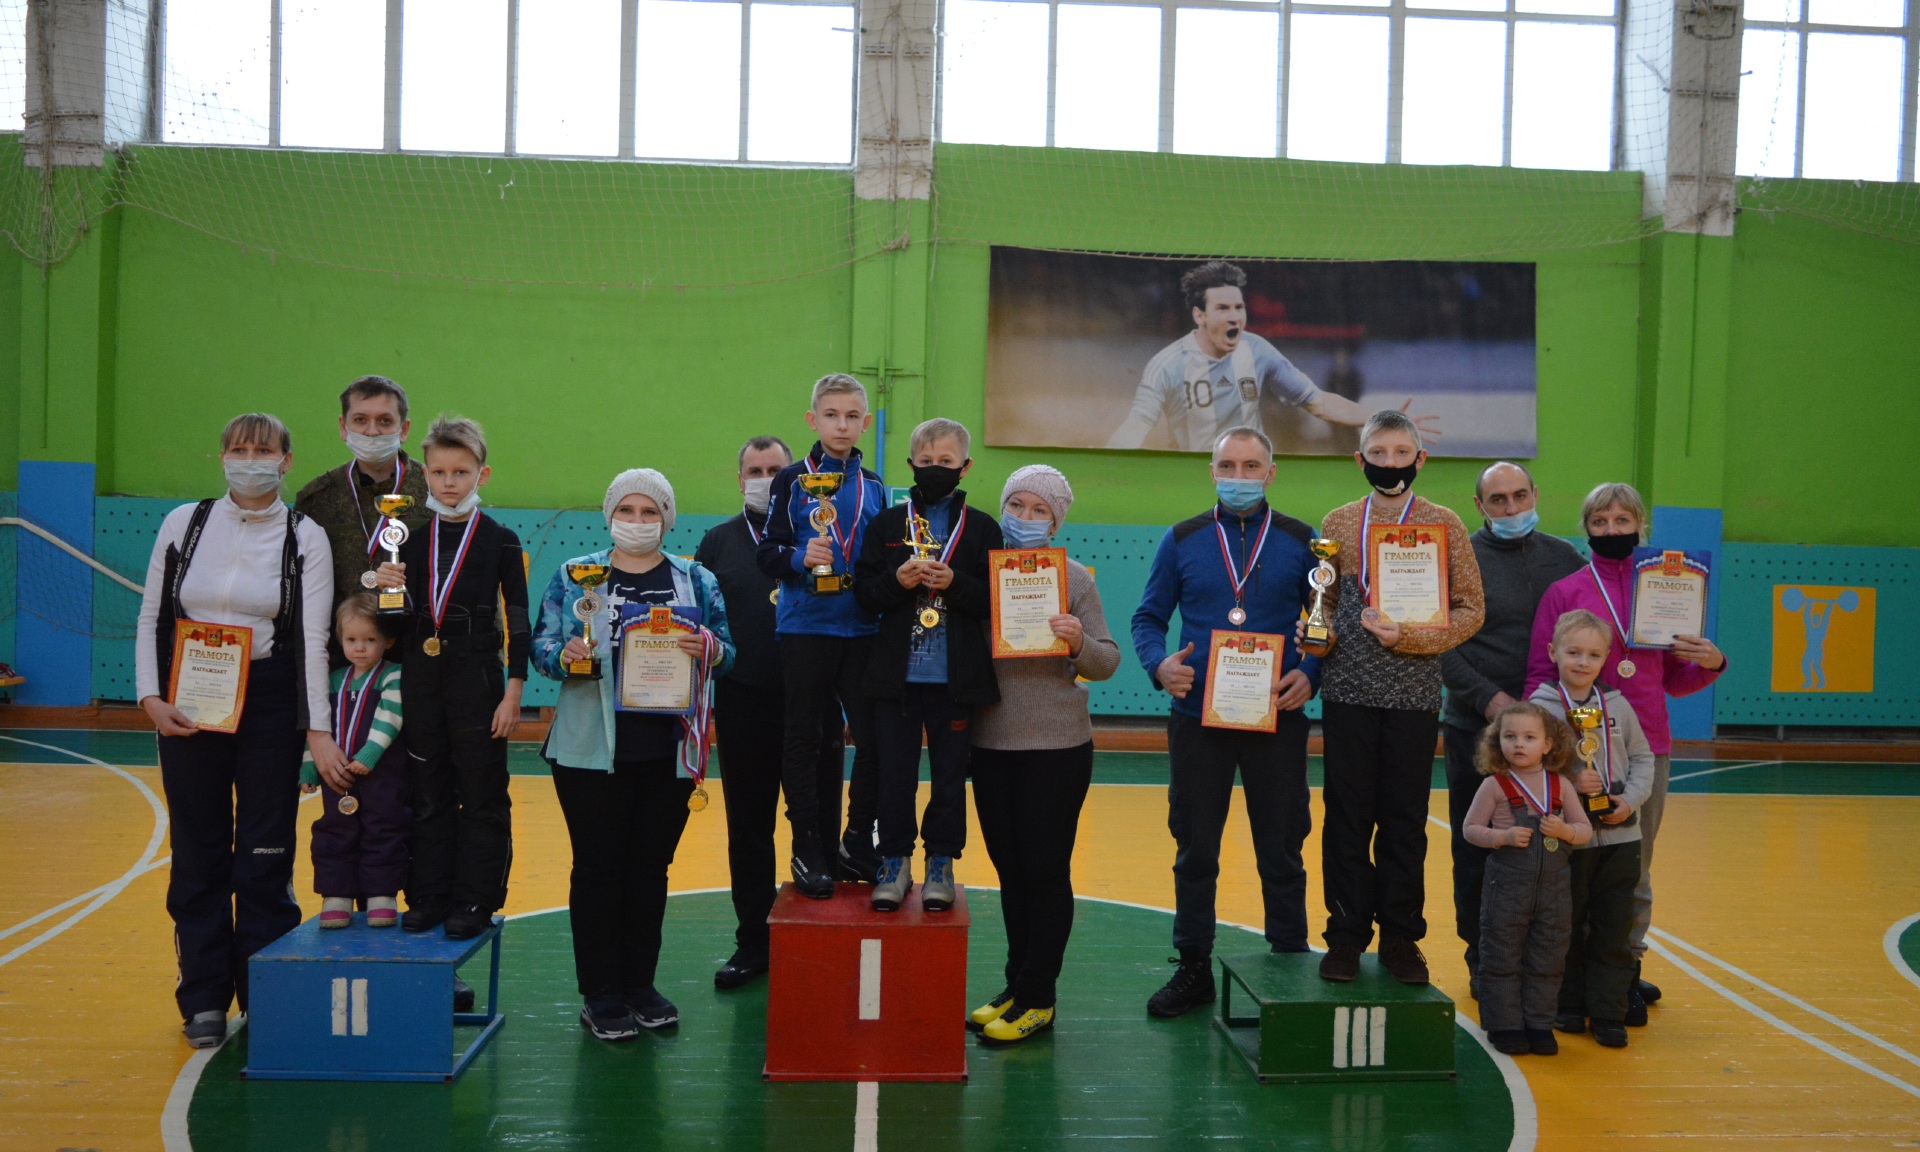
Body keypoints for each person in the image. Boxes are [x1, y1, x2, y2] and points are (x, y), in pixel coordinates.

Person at [135, 413, 338, 1048]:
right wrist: (150, 697)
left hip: (270, 702)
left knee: (264, 851)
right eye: (240, 449)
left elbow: (312, 639)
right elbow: (151, 615)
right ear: (223, 455)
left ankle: (264, 992)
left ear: (286, 461)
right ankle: (202, 997)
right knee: (197, 851)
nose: (250, 460)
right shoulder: (183, 523)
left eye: (264, 450)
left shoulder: (306, 536)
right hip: (189, 698)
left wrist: (316, 728)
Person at [532, 468, 735, 1040]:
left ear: (666, 520)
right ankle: (600, 994)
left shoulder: (696, 580)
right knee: (598, 870)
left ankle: (640, 985)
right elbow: (541, 648)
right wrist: (566, 655)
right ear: (610, 515)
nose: (638, 522)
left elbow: (728, 650)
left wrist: (709, 647)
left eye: (650, 512)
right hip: (588, 750)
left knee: (649, 871)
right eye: (627, 511)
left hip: (668, 751)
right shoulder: (575, 575)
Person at [1131, 425, 1323, 1019]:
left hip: (1278, 718)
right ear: (1212, 472)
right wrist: (1159, 666)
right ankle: (1193, 967)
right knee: (1195, 848)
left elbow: (1325, 627)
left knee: (1282, 847)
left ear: (1271, 473)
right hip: (1198, 720)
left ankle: (1288, 965)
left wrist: (1311, 673)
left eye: (1251, 466)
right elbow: (1147, 618)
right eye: (1228, 466)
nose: (1239, 477)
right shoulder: (1182, 538)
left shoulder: (1303, 542)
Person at [1526, 481, 1726, 1024]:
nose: (1612, 530)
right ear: (1586, 528)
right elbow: (1539, 675)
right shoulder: (1565, 591)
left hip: (1643, 749)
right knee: (1573, 867)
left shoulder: (1667, 587)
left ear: (1641, 526)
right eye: (1600, 522)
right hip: (1575, 754)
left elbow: (1676, 680)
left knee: (1631, 869)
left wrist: (1710, 663)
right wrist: (1549, 753)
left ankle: (1622, 969)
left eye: (1622, 521)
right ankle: (1571, 976)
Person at [1315, 409, 1484, 985]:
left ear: (1421, 458)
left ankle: (1401, 938)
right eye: (1379, 454)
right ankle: (1344, 936)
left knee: (1405, 821)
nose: (1390, 464)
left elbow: (1471, 609)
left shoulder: (1445, 524)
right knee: (1346, 818)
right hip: (1347, 691)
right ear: (1359, 459)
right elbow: (1322, 602)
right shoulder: (1338, 521)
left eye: (1401, 453)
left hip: (1414, 695)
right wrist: (1316, 633)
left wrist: (1409, 637)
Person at [968, 465, 1120, 1046]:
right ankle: (1016, 984)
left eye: (1040, 511)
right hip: (990, 741)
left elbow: (1107, 661)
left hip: (1057, 746)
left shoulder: (1074, 579)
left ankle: (1039, 998)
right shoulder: (978, 574)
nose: (1025, 519)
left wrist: (1078, 640)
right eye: (1018, 506)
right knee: (1010, 872)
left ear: (1056, 523)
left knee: (1045, 870)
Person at [694, 436, 845, 989]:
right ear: (740, 480)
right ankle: (753, 943)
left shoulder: (825, 530)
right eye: (754, 470)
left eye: (774, 469)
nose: (763, 478)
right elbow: (701, 624)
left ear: (794, 478)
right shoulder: (717, 543)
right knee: (749, 828)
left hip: (817, 702)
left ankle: (824, 937)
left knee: (820, 822)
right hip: (744, 702)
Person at [373, 415, 530, 941]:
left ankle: (475, 898)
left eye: (461, 472)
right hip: (422, 677)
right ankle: (429, 894)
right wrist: (387, 590)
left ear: (482, 474)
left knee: (482, 793)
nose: (449, 482)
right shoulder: (408, 542)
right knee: (428, 791)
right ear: (425, 474)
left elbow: (519, 620)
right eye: (439, 472)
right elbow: (392, 628)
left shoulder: (501, 541)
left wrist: (514, 691)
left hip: (479, 680)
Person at [1438, 462, 1583, 994]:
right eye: (1498, 500)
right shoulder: (1458, 560)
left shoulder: (1566, 559)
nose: (1511, 507)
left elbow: (1588, 636)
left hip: (1554, 734)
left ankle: (1553, 962)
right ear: (1479, 506)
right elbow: (1438, 641)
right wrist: (1490, 700)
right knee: (1479, 846)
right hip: (1475, 730)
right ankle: (1483, 958)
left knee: (1555, 846)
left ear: (1535, 494)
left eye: (1520, 495)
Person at [854, 418, 1003, 912]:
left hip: (955, 680)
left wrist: (955, 583)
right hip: (895, 679)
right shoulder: (886, 525)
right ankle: (894, 860)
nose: (935, 468)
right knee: (894, 774)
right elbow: (863, 598)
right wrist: (895, 582)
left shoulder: (983, 528)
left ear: (965, 466)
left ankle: (942, 860)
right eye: (926, 461)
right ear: (911, 465)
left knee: (949, 777)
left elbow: (994, 601)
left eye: (946, 461)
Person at [755, 374, 889, 897]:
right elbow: (767, 553)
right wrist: (799, 558)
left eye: (852, 416)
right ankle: (807, 845)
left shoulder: (876, 486)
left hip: (863, 629)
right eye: (831, 415)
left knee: (875, 740)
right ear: (813, 420)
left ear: (866, 423)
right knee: (803, 740)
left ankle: (856, 841)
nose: (842, 425)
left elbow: (880, 558)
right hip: (806, 626)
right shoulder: (791, 480)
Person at [1106, 261, 1442, 452]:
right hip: (1192, 478)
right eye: (1223, 308)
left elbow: (1319, 402)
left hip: (1250, 481)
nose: (1235, 317)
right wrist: (1108, 462)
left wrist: (1381, 418)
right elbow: (1137, 424)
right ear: (1199, 315)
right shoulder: (1167, 365)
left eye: (1238, 307)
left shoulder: (1257, 350)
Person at [1529, 609, 1654, 1050]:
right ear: (1553, 652)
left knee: (1614, 927)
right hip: (1568, 839)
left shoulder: (1618, 705)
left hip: (1621, 837)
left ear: (1605, 659)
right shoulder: (1540, 709)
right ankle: (1568, 1005)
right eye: (1574, 652)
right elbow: (1526, 768)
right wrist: (1568, 778)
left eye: (1593, 655)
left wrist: (1629, 800)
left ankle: (1608, 1013)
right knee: (1565, 925)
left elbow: (1643, 758)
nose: (1583, 662)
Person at [1462, 701, 1591, 1056]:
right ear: (1497, 742)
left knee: (1548, 958)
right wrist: (1501, 837)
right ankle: (1504, 1025)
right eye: (1510, 736)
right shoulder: (1494, 785)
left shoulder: (1561, 785)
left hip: (1554, 892)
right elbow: (1470, 829)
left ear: (1548, 744)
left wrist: (1564, 831)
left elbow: (1585, 831)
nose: (1519, 743)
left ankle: (1539, 1024)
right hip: (1507, 888)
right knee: (1501, 956)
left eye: (1529, 737)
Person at [293, 375, 431, 665]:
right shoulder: (317, 499)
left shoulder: (434, 490)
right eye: (360, 420)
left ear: (404, 429)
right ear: (343, 427)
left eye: (385, 421)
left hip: (418, 658)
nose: (372, 431)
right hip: (340, 663)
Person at [300, 593, 409, 929]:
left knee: (383, 829)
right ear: (340, 640)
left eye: (370, 640)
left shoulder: (393, 676)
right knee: (335, 832)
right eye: (351, 640)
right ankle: (336, 896)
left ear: (388, 641)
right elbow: (318, 725)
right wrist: (310, 767)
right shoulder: (333, 680)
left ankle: (382, 896)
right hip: (338, 777)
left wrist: (369, 755)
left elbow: (391, 716)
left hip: (381, 773)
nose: (360, 648)